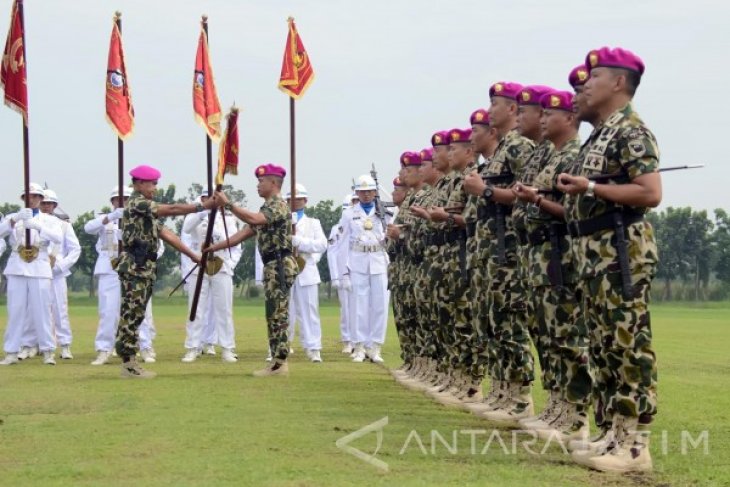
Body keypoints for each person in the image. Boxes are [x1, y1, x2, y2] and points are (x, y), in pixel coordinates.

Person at [557, 47, 661, 473]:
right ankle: (613, 433)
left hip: (620, 251)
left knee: (626, 343)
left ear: (618, 83)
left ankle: (636, 446)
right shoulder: (601, 135)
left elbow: (650, 193)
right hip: (592, 253)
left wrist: (591, 189)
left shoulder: (631, 132)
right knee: (601, 345)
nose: (585, 84)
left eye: (594, 76)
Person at [513, 89, 590, 443]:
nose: (542, 119)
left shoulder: (573, 157)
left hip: (560, 256)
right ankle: (558, 405)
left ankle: (575, 414)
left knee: (568, 336)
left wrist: (537, 199)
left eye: (549, 114)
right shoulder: (549, 157)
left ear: (570, 119)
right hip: (539, 257)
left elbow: (573, 212)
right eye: (539, 113)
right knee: (548, 335)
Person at [463, 81, 537, 424]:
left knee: (510, 324)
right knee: (492, 323)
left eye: (496, 103)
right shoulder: (503, 149)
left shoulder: (519, 148)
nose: (491, 109)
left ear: (512, 109)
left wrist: (486, 190)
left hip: (507, 249)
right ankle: (503, 391)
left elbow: (524, 195)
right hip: (489, 251)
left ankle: (520, 396)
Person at [115, 165, 220, 379]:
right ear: (139, 184)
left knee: (137, 314)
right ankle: (128, 362)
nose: (155, 188)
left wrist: (193, 256)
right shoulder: (138, 203)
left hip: (144, 267)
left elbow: (165, 233)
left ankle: (130, 361)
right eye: (152, 183)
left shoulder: (145, 208)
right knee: (131, 313)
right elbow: (171, 210)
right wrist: (203, 206)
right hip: (135, 266)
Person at [206, 164, 297, 377]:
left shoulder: (278, 206)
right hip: (273, 266)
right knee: (273, 313)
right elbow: (245, 233)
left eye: (261, 181)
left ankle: (280, 362)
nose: (258, 185)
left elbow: (255, 221)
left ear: (273, 183)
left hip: (279, 265)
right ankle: (277, 361)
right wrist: (215, 247)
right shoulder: (267, 208)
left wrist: (228, 205)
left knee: (278, 314)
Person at [0, 183, 63, 365]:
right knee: (16, 311)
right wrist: (14, 221)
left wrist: (36, 226)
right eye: (28, 196)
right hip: (17, 266)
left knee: (42, 310)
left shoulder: (50, 220)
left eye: (36, 196)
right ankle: (11, 351)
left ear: (41, 199)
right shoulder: (14, 217)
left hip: (40, 266)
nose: (32, 199)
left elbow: (58, 237)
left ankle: (48, 351)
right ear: (23, 199)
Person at [181, 188, 242, 363]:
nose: (210, 200)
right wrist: (205, 210)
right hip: (198, 265)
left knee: (224, 309)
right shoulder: (195, 215)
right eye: (206, 198)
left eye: (213, 198)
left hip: (221, 265)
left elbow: (234, 243)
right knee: (196, 309)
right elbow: (186, 229)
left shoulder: (228, 219)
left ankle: (227, 348)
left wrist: (230, 264)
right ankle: (192, 347)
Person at [338, 174, 392, 363]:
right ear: (357, 193)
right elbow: (341, 245)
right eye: (362, 192)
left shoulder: (385, 213)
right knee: (358, 306)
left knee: (380, 306)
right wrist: (343, 273)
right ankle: (359, 346)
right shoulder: (348, 214)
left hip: (379, 262)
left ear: (375, 192)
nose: (366, 195)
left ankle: (375, 346)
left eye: (369, 191)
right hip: (357, 262)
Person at [287, 183, 327, 363]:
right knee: (283, 311)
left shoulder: (313, 223)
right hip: (286, 268)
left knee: (310, 311)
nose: (295, 202)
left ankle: (313, 347)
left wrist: (300, 242)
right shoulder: (282, 220)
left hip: (306, 269)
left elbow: (322, 245)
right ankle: (280, 346)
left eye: (299, 199)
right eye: (291, 200)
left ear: (305, 201)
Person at [39, 189, 81, 360]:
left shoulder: (64, 225)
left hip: (56, 273)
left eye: (49, 203)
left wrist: (60, 266)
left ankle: (65, 345)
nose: (46, 206)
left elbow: (75, 249)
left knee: (59, 310)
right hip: (37, 272)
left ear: (54, 205)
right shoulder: (32, 223)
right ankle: (39, 345)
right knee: (38, 310)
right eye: (43, 203)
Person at [328, 193, 357, 354]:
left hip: (359, 270)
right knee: (346, 308)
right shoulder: (336, 229)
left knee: (361, 307)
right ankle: (347, 340)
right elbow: (332, 252)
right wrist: (334, 276)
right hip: (342, 271)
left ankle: (360, 340)